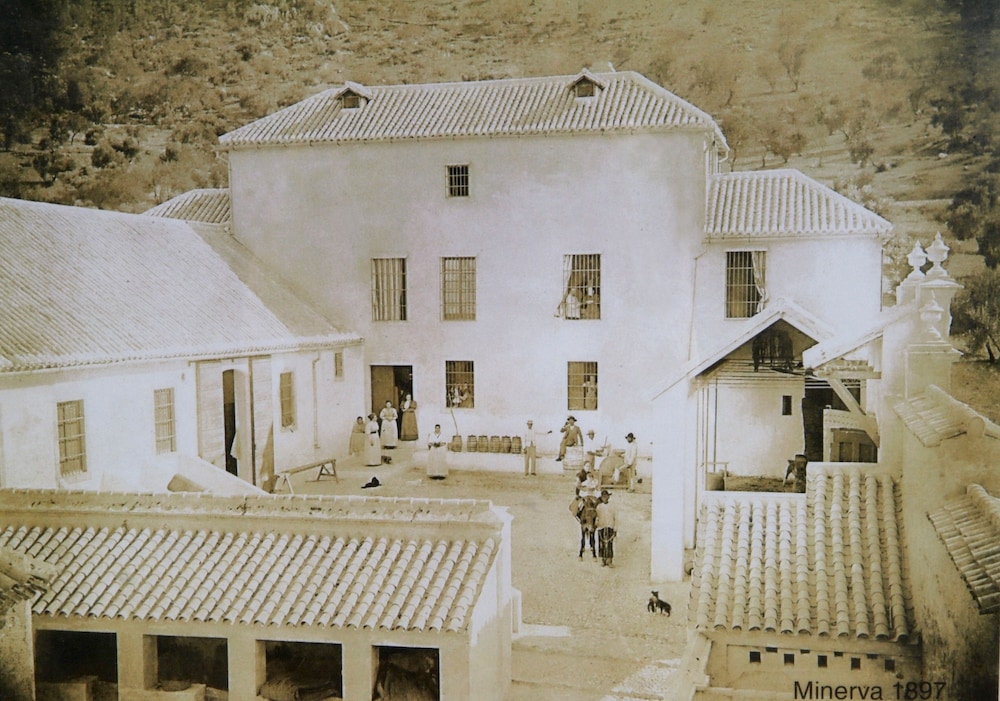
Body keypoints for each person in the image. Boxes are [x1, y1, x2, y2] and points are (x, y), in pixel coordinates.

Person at [595, 490, 618, 567]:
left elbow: (616, 517)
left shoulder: (612, 506)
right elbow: (597, 517)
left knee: (609, 544)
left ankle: (610, 561)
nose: (605, 498)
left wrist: (615, 529)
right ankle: (603, 560)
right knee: (601, 544)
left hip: (610, 526)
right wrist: (596, 523)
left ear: (608, 497)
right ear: (601, 498)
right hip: (601, 527)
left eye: (606, 496)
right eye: (603, 497)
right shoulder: (599, 507)